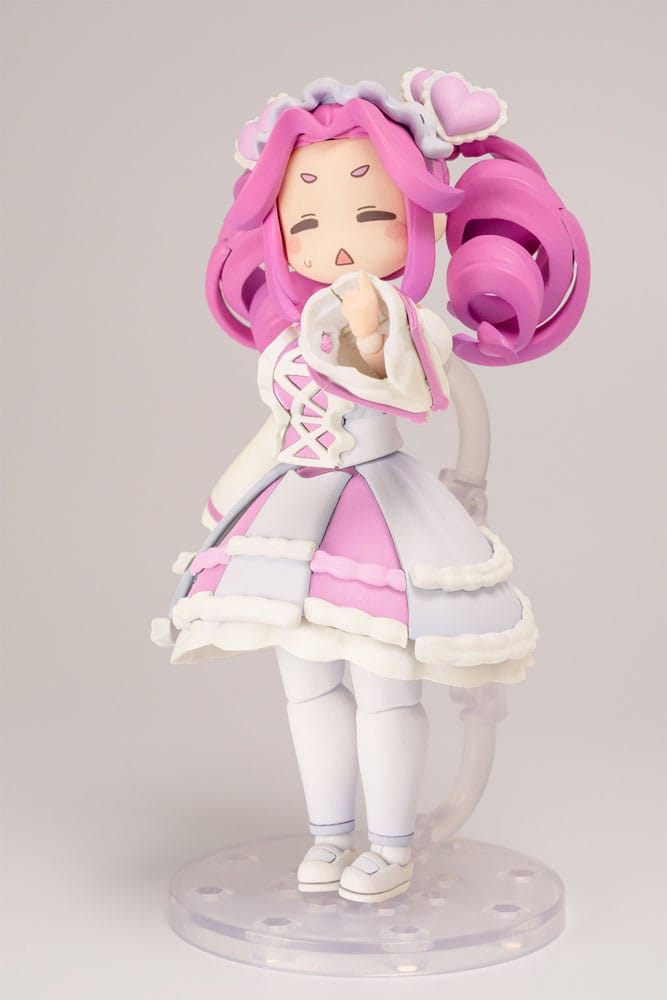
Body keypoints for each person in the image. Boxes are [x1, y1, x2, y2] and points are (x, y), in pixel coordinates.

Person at [152, 71, 589, 903]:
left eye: (371, 212)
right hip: (291, 512)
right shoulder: (284, 344)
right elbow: (277, 430)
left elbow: (420, 392)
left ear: (419, 219)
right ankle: (327, 834)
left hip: (382, 516)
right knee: (306, 681)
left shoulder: (409, 327)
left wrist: (467, 478)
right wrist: (222, 507)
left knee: (387, 680)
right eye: (307, 222)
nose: (340, 241)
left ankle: (389, 847)